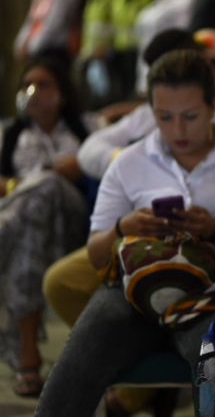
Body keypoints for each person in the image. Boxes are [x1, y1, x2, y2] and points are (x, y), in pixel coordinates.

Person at [35, 50, 215, 416]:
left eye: (190, 116)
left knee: (214, 370)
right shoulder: (129, 163)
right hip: (131, 292)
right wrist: (123, 227)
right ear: (150, 111)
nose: (177, 130)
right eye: (164, 117)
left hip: (210, 293)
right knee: (75, 362)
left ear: (214, 106)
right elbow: (98, 256)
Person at [77, 28, 215, 182]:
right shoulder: (151, 113)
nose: (177, 127)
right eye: (163, 75)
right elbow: (89, 150)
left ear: (204, 59)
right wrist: (137, 161)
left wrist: (206, 161)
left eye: (190, 116)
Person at [0, 57, 94, 397]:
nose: (33, 92)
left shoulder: (87, 128)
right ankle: (28, 358)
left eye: (44, 84)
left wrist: (76, 165)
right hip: (32, 230)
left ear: (63, 93)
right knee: (32, 226)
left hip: (71, 223)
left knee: (50, 184)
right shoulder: (9, 133)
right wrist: (17, 187)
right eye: (27, 85)